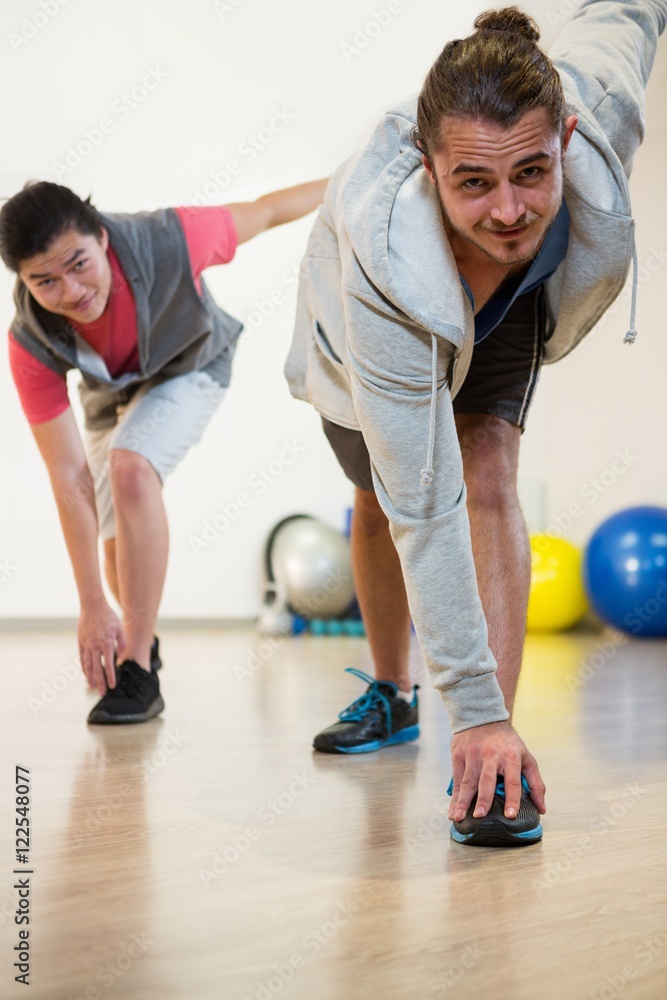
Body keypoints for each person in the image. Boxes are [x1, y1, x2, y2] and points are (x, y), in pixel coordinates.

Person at [285, 0, 666, 846]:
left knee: (488, 471)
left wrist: (484, 719)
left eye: (530, 172)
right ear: (427, 167)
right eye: (473, 182)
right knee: (385, 498)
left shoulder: (594, 112)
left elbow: (624, 16)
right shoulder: (382, 241)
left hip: (511, 305)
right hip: (370, 327)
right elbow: (425, 505)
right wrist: (457, 694)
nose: (507, 212)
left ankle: (495, 749)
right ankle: (394, 692)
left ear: (564, 135)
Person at [1, 177, 326, 725]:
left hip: (192, 366)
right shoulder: (30, 340)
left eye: (78, 264)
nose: (71, 292)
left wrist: (349, 174)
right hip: (111, 395)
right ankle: (140, 644)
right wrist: (91, 607)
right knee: (113, 546)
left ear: (101, 238)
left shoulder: (172, 237)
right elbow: (69, 475)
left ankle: (139, 673)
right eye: (45, 281)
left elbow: (266, 209)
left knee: (131, 468)